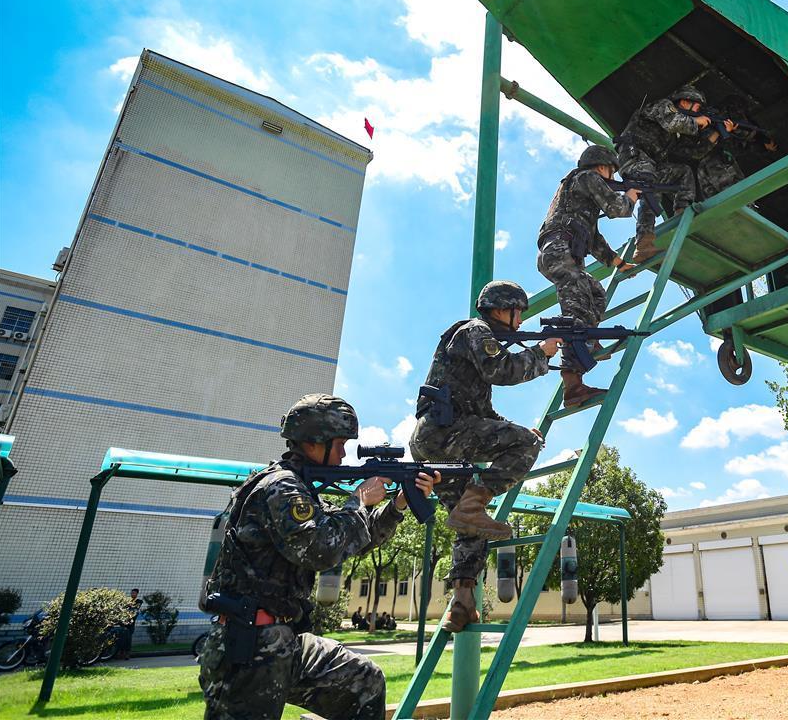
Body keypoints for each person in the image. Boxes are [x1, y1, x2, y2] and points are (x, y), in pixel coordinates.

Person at [199, 393, 439, 720]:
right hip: (249, 645)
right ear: (314, 442)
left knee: (363, 680)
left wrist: (396, 507)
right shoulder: (280, 487)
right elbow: (320, 550)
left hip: (285, 640)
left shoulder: (299, 488)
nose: (343, 454)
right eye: (339, 444)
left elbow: (347, 539)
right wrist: (358, 501)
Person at [409, 280, 561, 633]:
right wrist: (543, 354)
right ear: (498, 309)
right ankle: (473, 503)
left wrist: (518, 428)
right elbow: (502, 370)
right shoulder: (477, 330)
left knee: (470, 524)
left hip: (434, 439)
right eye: (516, 311)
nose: (520, 320)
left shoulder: (473, 341)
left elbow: (484, 410)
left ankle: (461, 605)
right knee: (524, 447)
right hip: (446, 434)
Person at [537, 144, 638, 407]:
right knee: (576, 316)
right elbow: (618, 209)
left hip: (561, 253)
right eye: (611, 172)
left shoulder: (577, 194)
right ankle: (573, 386)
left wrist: (615, 261)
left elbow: (591, 236)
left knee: (594, 292)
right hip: (561, 252)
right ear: (602, 166)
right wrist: (631, 197)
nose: (612, 179)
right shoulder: (587, 178)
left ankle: (587, 344)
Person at [616, 87, 729, 260]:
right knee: (649, 186)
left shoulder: (675, 134)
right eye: (697, 108)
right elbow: (672, 121)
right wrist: (697, 122)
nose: (698, 113)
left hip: (651, 166)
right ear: (685, 102)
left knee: (682, 173)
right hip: (635, 156)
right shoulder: (664, 106)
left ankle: (679, 213)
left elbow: (693, 153)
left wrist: (716, 134)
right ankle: (641, 237)